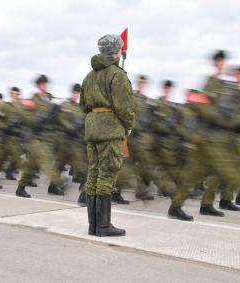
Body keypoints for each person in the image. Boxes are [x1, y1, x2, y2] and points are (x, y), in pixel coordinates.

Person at [80, 34, 135, 237]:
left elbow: (83, 105)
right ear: (117, 51)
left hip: (92, 128)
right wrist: (128, 126)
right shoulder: (116, 74)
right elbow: (124, 106)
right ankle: (103, 226)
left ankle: (93, 226)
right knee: (107, 173)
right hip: (110, 129)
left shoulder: (89, 76)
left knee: (93, 173)